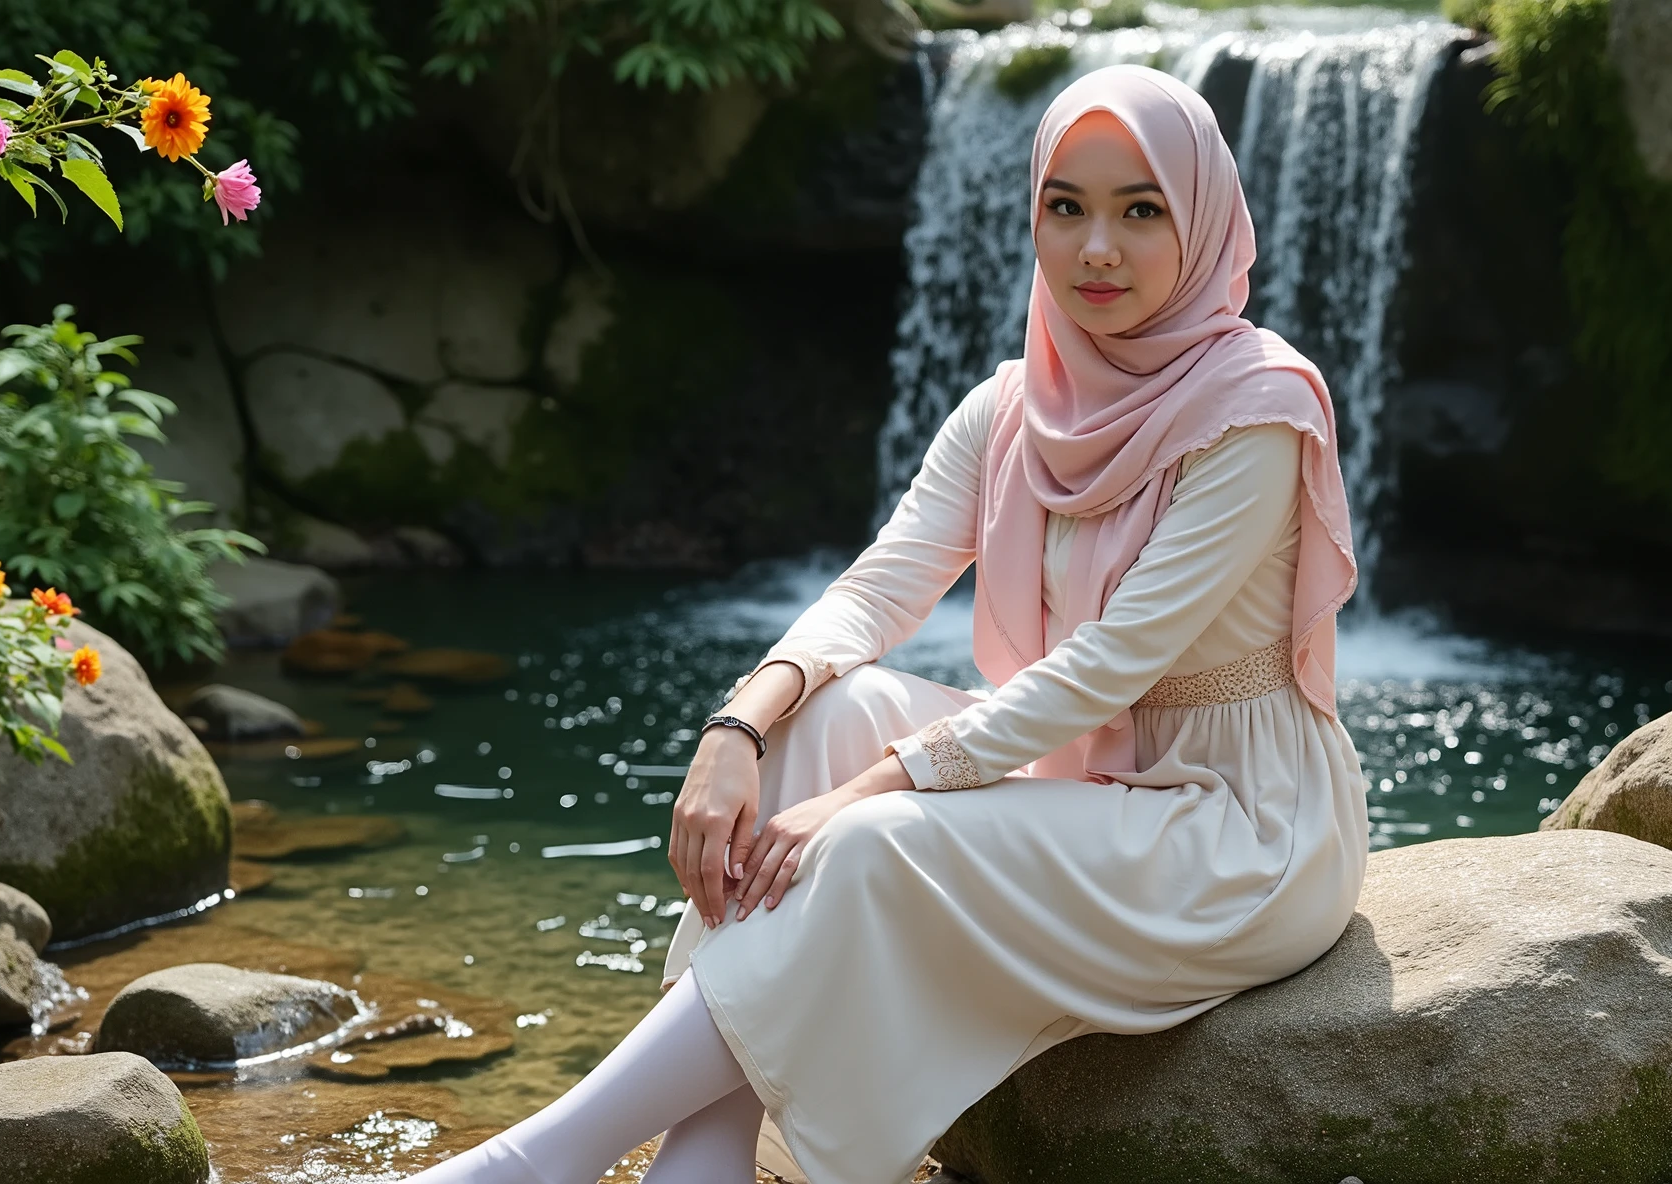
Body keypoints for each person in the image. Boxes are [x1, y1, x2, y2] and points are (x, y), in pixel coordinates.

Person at [405, 62, 1368, 1184]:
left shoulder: (1256, 404)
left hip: (1236, 829)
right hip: (1091, 781)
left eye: (1138, 210)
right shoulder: (1012, 409)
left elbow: (1111, 664)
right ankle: (701, 1160)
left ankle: (536, 1159)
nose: (1095, 248)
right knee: (831, 709)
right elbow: (874, 590)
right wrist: (737, 731)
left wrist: (864, 794)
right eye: (1066, 207)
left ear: (1199, 219)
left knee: (866, 830)